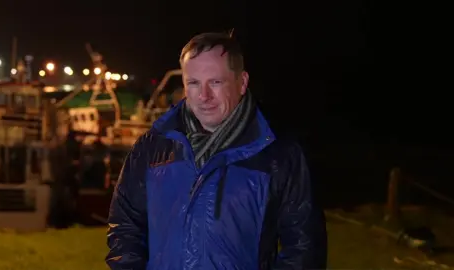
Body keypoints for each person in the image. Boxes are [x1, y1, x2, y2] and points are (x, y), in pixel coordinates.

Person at [106, 32, 327, 269]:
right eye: (193, 83)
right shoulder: (151, 148)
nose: (204, 96)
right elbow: (125, 227)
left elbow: (304, 249)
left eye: (215, 82)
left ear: (242, 83)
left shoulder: (279, 155)